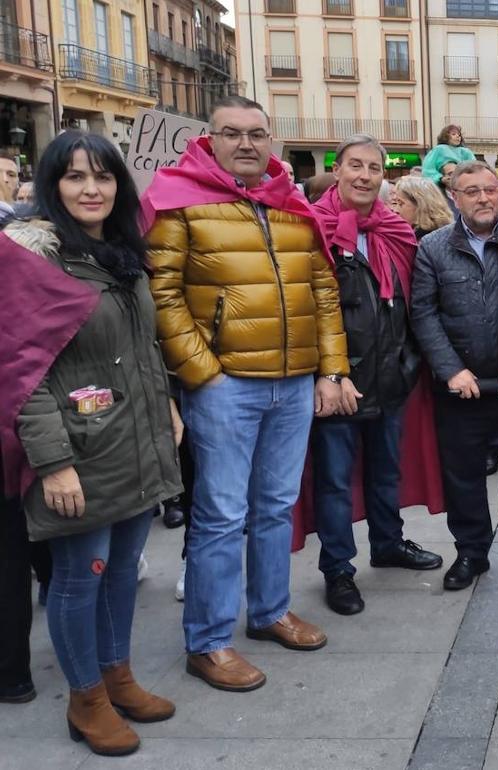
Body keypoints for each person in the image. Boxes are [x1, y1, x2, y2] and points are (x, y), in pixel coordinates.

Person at [145, 96, 349, 692]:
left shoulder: (292, 207)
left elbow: (323, 293)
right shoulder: (180, 201)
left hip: (291, 383)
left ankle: (268, 612)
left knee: (275, 507)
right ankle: (207, 642)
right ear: (210, 140)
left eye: (257, 134)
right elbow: (162, 294)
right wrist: (202, 371)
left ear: (271, 140)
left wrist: (330, 369)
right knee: (220, 515)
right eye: (231, 134)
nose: (246, 144)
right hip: (225, 386)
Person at [4, 131, 182, 755]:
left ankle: (117, 676)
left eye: (103, 177)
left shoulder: (123, 254)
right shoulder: (34, 262)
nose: (91, 189)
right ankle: (85, 698)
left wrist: (163, 402)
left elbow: (141, 346)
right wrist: (52, 464)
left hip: (133, 440)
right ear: (52, 187)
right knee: (81, 578)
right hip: (76, 452)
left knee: (121, 576)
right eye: (75, 177)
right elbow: (21, 374)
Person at [308, 135, 443, 616]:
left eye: (373, 167)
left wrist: (410, 363)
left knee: (387, 471)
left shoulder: (396, 230)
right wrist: (330, 373)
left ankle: (387, 544)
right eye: (355, 166)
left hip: (391, 376)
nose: (364, 175)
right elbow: (308, 311)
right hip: (339, 382)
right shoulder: (313, 229)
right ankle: (339, 570)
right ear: (338, 170)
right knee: (335, 483)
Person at [410, 161, 498, 591]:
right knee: (463, 476)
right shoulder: (432, 247)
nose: (483, 198)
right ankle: (471, 552)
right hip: (462, 388)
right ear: (454, 197)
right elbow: (424, 313)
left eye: (490, 189)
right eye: (472, 191)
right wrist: (451, 370)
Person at [390, 175, 454, 239]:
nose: (395, 210)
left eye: (401, 203)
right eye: (395, 203)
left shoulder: (431, 241)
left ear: (421, 205)